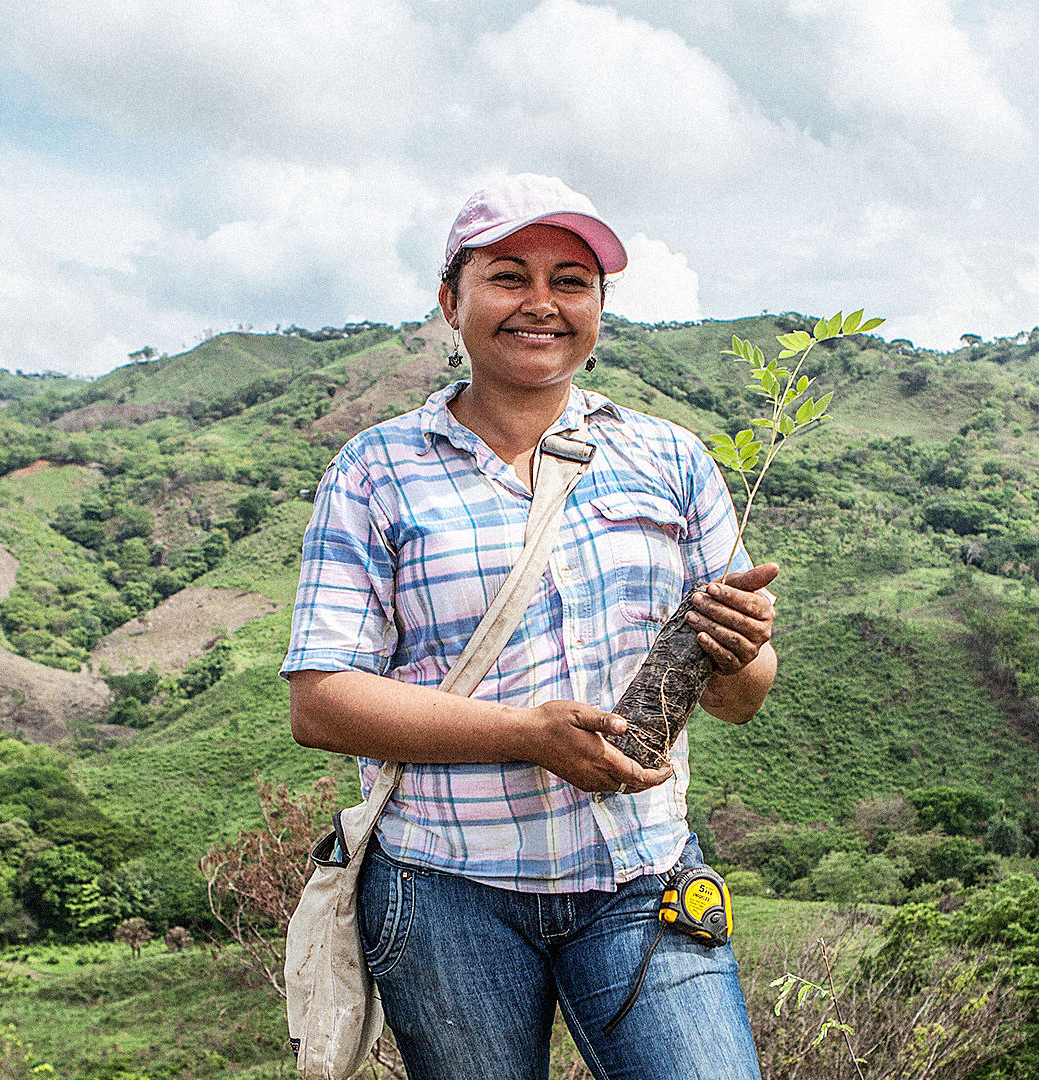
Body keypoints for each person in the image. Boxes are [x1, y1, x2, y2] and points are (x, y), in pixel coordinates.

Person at [283, 173, 777, 1080]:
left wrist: (741, 652)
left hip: (642, 870)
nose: (541, 304)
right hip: (445, 888)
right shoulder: (376, 470)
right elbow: (322, 702)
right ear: (451, 300)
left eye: (572, 281)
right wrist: (528, 737)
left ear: (599, 307)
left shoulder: (667, 457)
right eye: (509, 276)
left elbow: (743, 700)